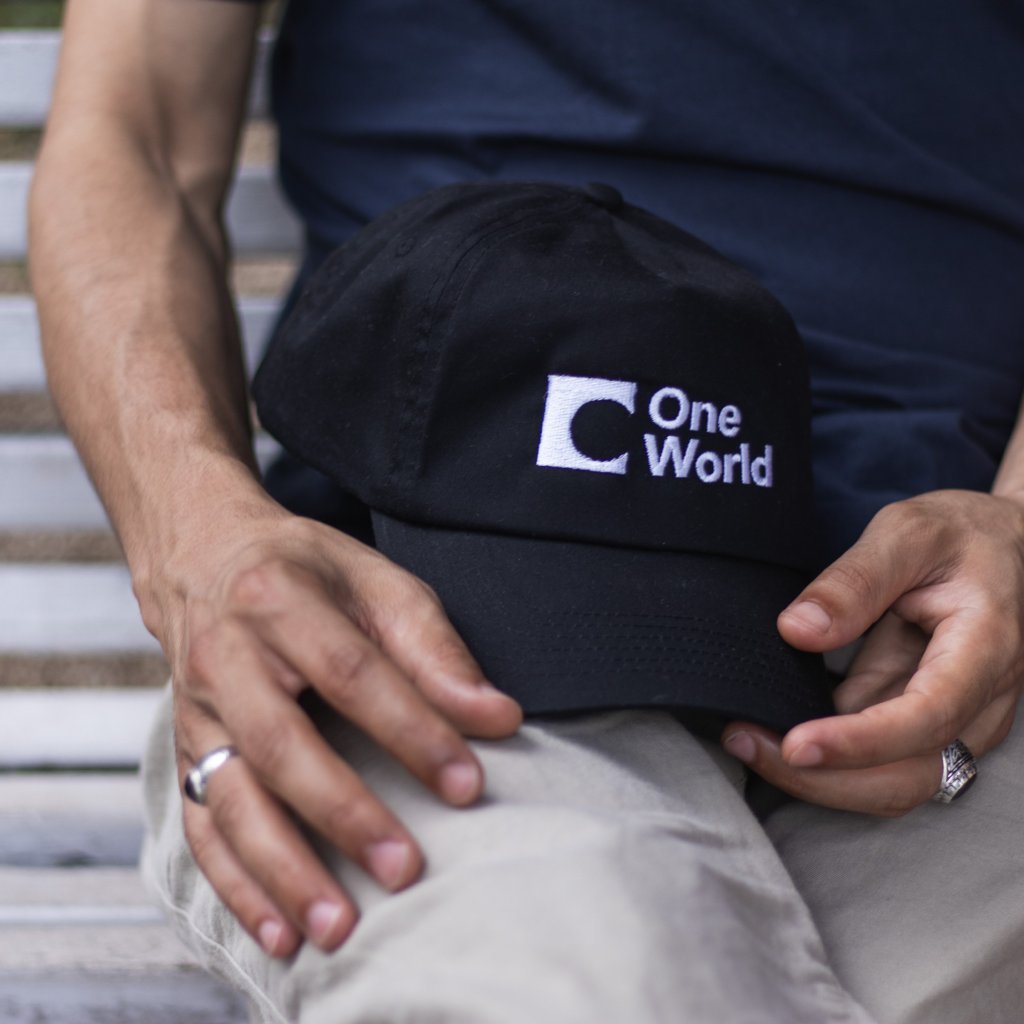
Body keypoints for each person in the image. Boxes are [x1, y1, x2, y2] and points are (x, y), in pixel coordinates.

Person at [28, 1, 1024, 1021]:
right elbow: (135, 135)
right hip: (434, 578)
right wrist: (201, 535)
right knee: (589, 987)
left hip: (959, 614)